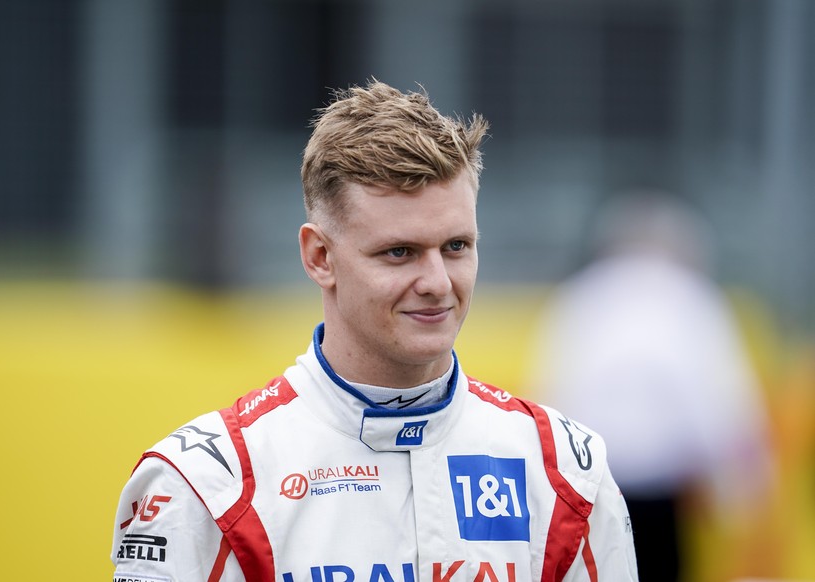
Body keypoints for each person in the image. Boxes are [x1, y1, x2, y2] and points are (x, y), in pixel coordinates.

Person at [111, 80, 639, 581]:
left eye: (456, 246)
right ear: (320, 257)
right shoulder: (207, 485)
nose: (436, 282)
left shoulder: (566, 472)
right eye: (399, 253)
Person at [531, 191, 773, 581]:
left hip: (594, 480)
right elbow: (716, 399)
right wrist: (741, 487)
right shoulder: (691, 298)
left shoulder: (582, 297)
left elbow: (553, 394)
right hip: (664, 488)